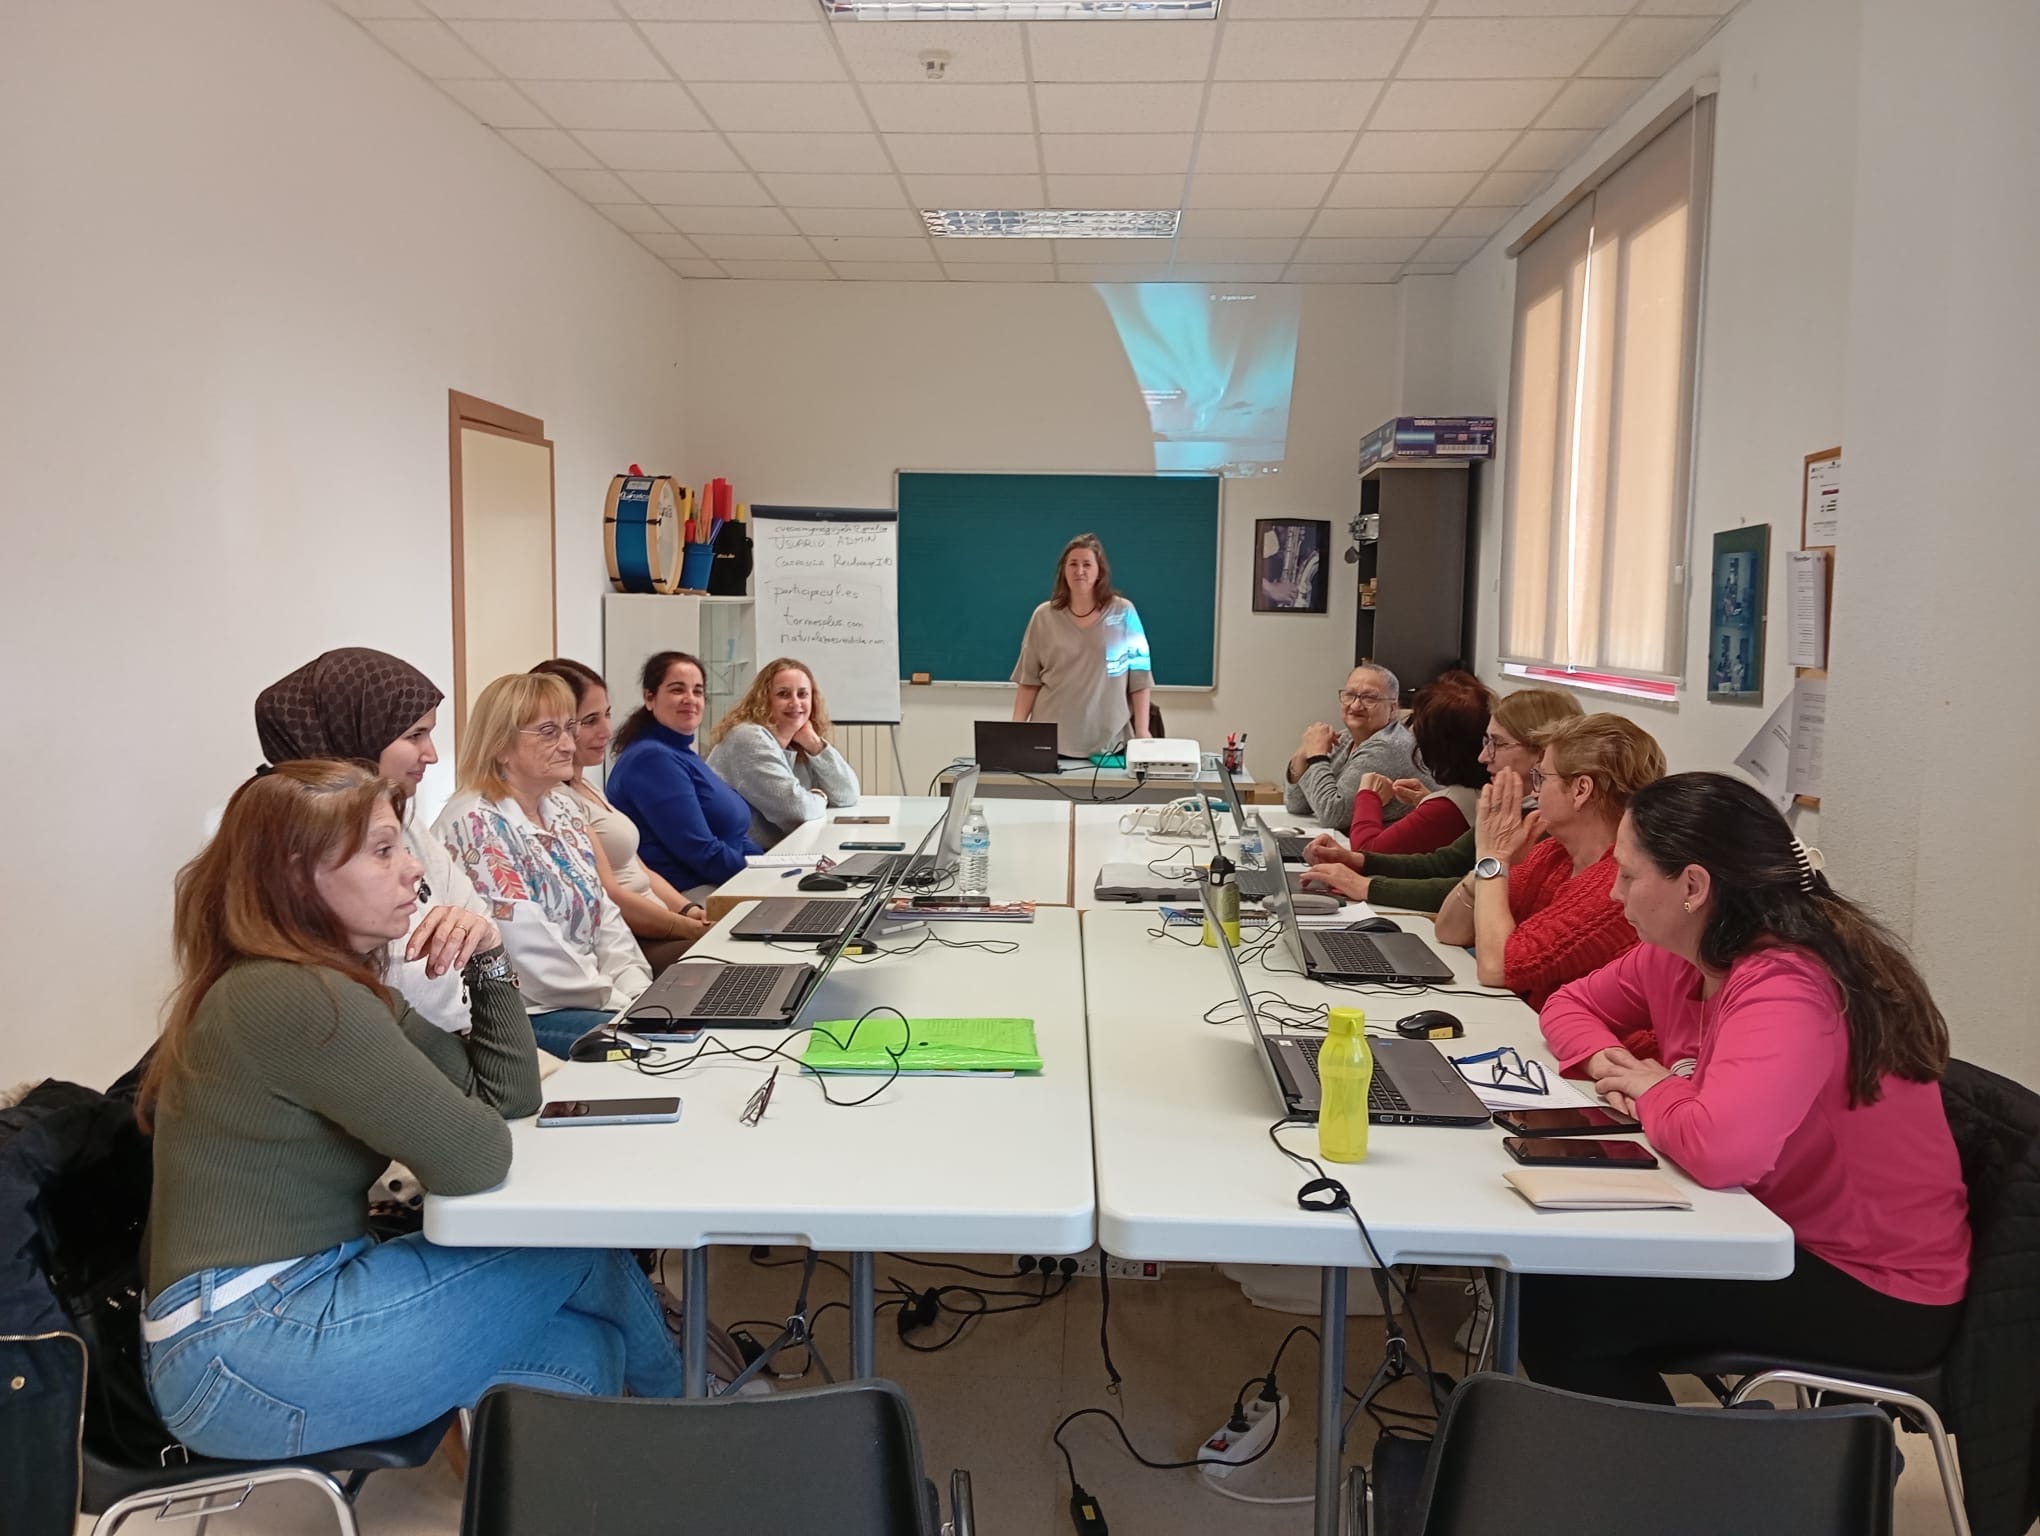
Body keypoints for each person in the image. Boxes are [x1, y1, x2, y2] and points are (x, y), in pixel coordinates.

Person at [137, 761, 681, 1460]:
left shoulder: (332, 984)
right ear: (300, 877)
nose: (414, 869)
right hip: (241, 1347)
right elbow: (477, 1157)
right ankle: (697, 1420)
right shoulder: (299, 998)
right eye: (383, 850)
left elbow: (507, 1096)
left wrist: (489, 958)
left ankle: (607, 1474)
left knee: (585, 1349)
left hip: (265, 1328)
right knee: (578, 1238)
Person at [1521, 772, 1969, 1404]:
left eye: (1628, 874)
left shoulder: (1789, 982)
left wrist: (1654, 1090)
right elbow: (1569, 1005)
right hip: (1767, 1225)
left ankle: (1679, 1468)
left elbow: (1722, 1150)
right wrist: (1607, 1062)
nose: (1615, 893)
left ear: (1692, 886)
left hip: (1873, 1285)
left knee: (1560, 1309)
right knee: (1557, 1273)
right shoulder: (1681, 950)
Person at [254, 647, 496, 1033]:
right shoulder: (289, 849)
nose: (431, 755)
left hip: (458, 1037)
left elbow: (477, 917)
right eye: (415, 735)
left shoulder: (406, 822)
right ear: (356, 733)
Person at [433, 673, 651, 1057]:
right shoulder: (474, 823)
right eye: (549, 732)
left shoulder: (561, 807)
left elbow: (604, 915)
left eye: (569, 728)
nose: (568, 744)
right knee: (651, 1049)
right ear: (501, 746)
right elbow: (531, 957)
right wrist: (622, 1005)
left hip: (590, 997)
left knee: (675, 1032)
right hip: (521, 1012)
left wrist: (639, 991)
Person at [1431, 713, 1665, 1008]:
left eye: (1541, 777)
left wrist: (1494, 857)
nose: (1534, 790)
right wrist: (1488, 865)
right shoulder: (1553, 853)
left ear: (1581, 790)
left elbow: (1498, 968)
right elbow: (1450, 931)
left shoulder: (1616, 884)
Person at [1299, 686, 1583, 910]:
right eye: (1486, 742)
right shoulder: (1511, 806)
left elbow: (1469, 886)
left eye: (1497, 743)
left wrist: (1366, 885)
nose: (1484, 756)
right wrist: (1357, 861)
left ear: (1542, 752)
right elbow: (1446, 863)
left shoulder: (1549, 825)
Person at [529, 659, 710, 975]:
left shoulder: (586, 785)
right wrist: (690, 929)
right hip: (636, 937)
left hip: (660, 921)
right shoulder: (556, 801)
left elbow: (640, 868)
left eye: (607, 715)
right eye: (590, 721)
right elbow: (610, 895)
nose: (606, 731)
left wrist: (688, 910)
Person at [607, 650, 761, 894]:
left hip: (723, 880)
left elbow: (735, 834)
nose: (690, 699)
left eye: (697, 691)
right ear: (650, 698)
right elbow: (700, 852)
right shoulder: (653, 760)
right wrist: (763, 876)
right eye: (677, 690)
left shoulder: (681, 752)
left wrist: (767, 866)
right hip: (689, 894)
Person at [1011, 533, 1154, 758]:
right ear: (1063, 571)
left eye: (1087, 564)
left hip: (1109, 741)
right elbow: (1029, 680)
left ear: (1099, 571)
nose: (1079, 571)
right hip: (1051, 739)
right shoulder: (1043, 616)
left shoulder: (1124, 613)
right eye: (1073, 564)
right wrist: (1015, 730)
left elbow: (1140, 678)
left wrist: (1142, 730)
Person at [705, 658, 861, 847]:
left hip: (777, 850)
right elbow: (797, 810)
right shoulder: (748, 737)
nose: (795, 703)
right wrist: (821, 796)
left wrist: (814, 744)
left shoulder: (797, 743)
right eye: (783, 694)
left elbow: (847, 795)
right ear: (765, 699)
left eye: (802, 694)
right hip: (740, 856)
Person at [1342, 670, 1492, 856]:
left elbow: (1367, 854)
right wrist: (1427, 800)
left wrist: (1368, 796)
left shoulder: (1449, 807)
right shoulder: (1466, 797)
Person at [1283, 664, 1425, 831]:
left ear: (1392, 708)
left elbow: (1333, 816)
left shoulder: (1387, 746)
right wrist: (1303, 752)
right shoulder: (1345, 738)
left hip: (1397, 846)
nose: (1356, 705)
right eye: (1349, 695)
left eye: (1369, 698)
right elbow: (1296, 804)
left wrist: (1316, 756)